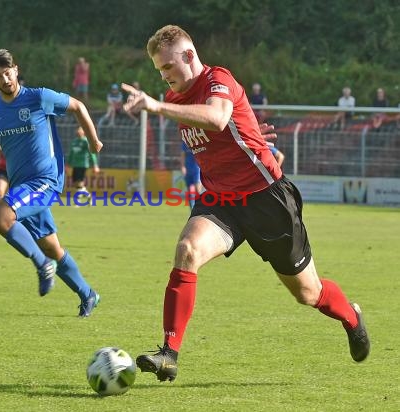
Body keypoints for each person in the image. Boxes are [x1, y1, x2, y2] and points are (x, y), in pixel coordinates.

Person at [122, 25, 370, 382]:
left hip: (266, 199)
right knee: (187, 249)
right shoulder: (175, 98)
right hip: (221, 200)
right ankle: (169, 353)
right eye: (159, 71)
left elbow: (219, 117)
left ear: (189, 56)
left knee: (307, 292)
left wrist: (154, 106)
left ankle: (351, 316)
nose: (164, 76)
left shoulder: (216, 78)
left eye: (167, 67)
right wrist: (250, 128)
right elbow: (226, 126)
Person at [0, 49, 103, 317]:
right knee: (52, 247)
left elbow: (78, 106)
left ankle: (41, 265)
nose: (5, 79)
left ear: (16, 69)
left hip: (45, 181)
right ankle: (88, 294)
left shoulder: (39, 97)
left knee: (0, 218)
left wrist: (94, 141)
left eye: (8, 72)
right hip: (21, 185)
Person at [67, 126, 100, 202]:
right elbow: (71, 153)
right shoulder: (74, 141)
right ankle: (88, 195)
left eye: (80, 130)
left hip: (83, 164)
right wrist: (68, 164)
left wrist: (95, 165)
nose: (78, 131)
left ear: (83, 132)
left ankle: (77, 202)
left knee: (79, 183)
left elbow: (92, 153)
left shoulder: (86, 141)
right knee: (75, 183)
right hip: (75, 164)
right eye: (77, 130)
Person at [180, 141, 201, 210]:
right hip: (188, 168)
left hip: (197, 168)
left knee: (198, 190)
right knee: (190, 191)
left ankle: (200, 208)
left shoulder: (198, 141)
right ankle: (192, 209)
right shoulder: (185, 142)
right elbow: (182, 155)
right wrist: (183, 166)